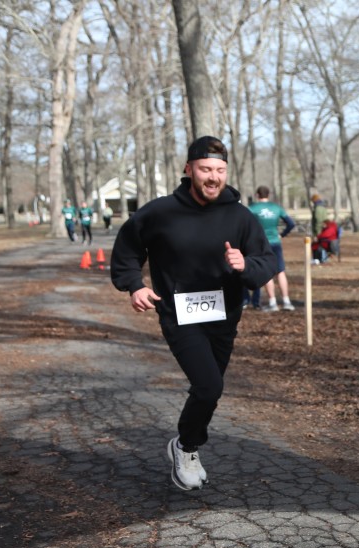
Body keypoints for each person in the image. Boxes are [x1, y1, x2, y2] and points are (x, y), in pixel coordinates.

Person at [110, 136, 277, 490]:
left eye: (220, 170)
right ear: (188, 170)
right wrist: (134, 285)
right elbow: (127, 249)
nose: (213, 177)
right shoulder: (160, 213)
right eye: (205, 169)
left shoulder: (240, 216)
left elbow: (266, 262)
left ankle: (185, 443)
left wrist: (246, 264)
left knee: (210, 390)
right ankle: (186, 448)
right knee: (209, 385)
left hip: (224, 316)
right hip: (179, 315)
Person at [245, 186, 296, 312]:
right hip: (276, 242)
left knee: (267, 272)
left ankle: (273, 303)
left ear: (257, 195)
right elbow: (291, 223)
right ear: (268, 195)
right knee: (280, 271)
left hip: (261, 244)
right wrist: (282, 234)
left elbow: (244, 223)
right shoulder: (276, 208)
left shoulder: (252, 208)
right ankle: (286, 301)